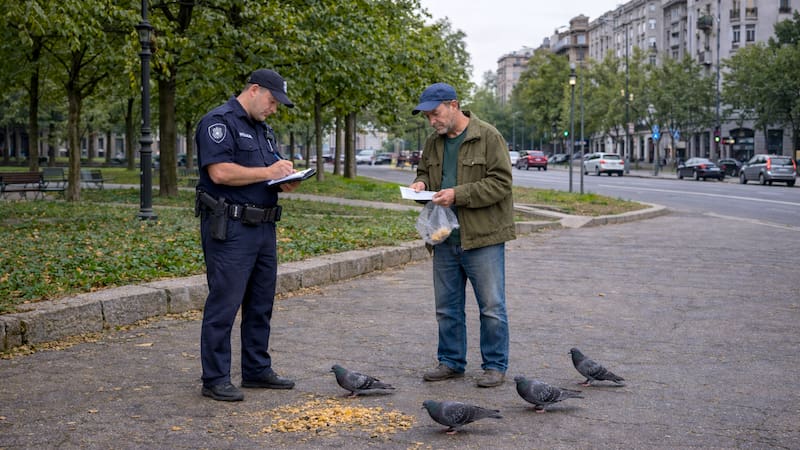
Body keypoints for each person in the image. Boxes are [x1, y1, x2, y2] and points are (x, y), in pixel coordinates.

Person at [195, 68, 301, 402]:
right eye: (272, 101)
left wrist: (284, 177)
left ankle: (256, 369)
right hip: (231, 228)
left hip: (263, 227)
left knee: (260, 303)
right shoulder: (218, 122)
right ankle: (215, 377)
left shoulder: (263, 130)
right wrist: (268, 171)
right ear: (254, 90)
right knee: (224, 304)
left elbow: (266, 173)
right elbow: (220, 172)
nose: (274, 109)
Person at [408, 82, 516, 388]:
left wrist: (459, 194)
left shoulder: (488, 136)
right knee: (446, 307)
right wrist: (418, 185)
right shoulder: (433, 142)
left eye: (436, 113)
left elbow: (501, 183)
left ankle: (495, 365)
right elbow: (425, 174)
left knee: (492, 306)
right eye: (427, 116)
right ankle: (451, 362)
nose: (432, 121)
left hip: (482, 237)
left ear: (453, 105)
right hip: (443, 236)